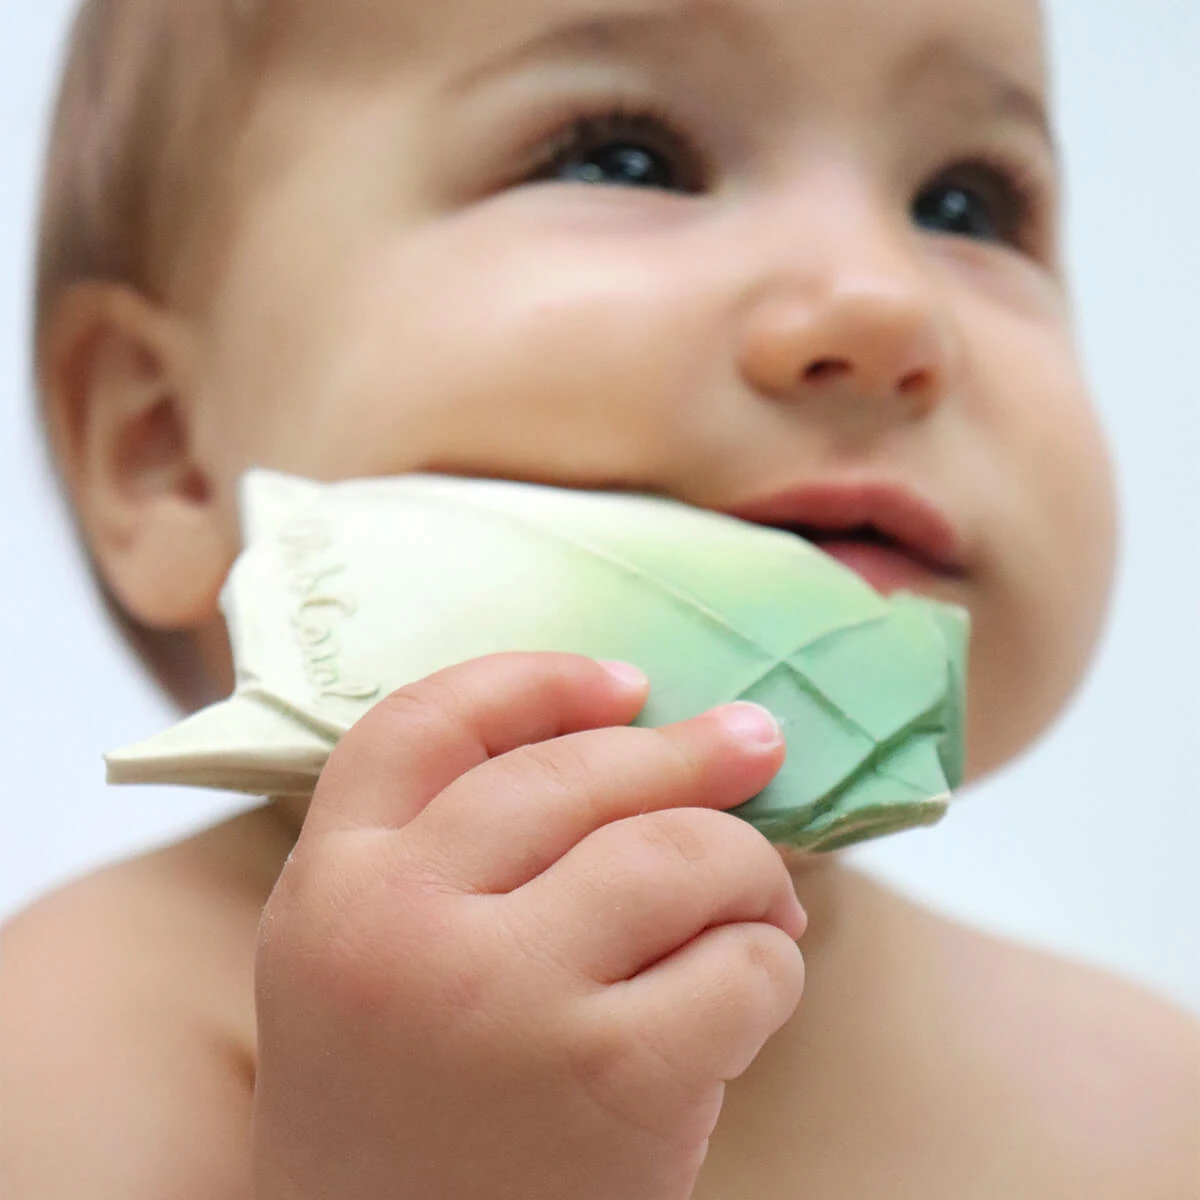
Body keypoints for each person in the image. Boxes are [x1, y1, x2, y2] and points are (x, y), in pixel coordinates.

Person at [2, 0, 1196, 1195]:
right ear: (166, 452)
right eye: (625, 158)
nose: (884, 305)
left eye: (964, 205)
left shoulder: (1146, 1108)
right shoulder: (73, 1047)